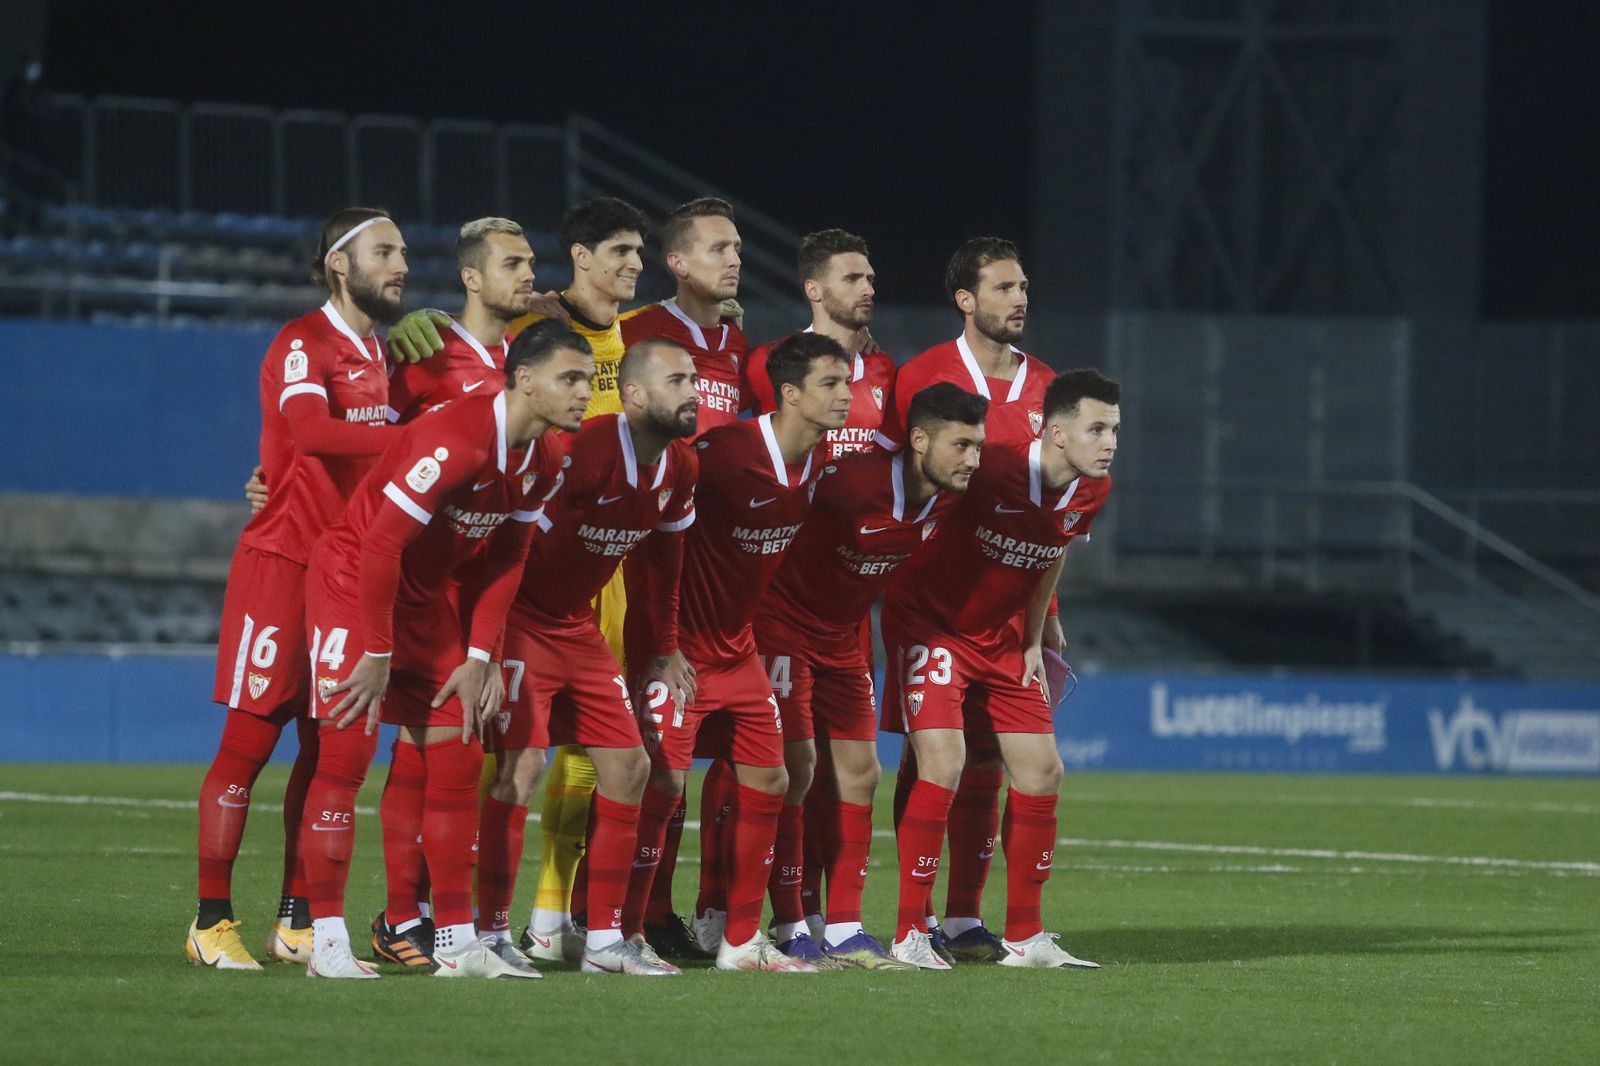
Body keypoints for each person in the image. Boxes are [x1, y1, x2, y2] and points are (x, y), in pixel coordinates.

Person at [295, 319, 590, 980]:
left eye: (586, 380)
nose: (582, 394)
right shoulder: (456, 438)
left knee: (459, 757)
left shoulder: (547, 458)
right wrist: (374, 650)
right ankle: (328, 940)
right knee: (345, 755)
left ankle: (457, 945)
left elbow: (506, 558)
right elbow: (379, 545)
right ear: (523, 379)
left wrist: (479, 655)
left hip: (424, 602)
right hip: (354, 587)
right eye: (569, 379)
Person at [185, 208, 406, 971]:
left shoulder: (383, 354)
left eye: (404, 251)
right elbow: (310, 432)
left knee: (324, 753)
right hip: (282, 565)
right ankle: (211, 920)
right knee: (248, 745)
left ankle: (296, 919)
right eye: (386, 251)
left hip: (346, 578)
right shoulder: (302, 343)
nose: (402, 264)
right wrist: (413, 437)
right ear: (340, 264)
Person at [465, 338, 699, 978]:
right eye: (677, 380)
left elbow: (665, 565)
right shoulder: (580, 452)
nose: (693, 392)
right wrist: (481, 646)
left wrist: (667, 647)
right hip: (521, 619)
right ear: (634, 395)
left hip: (575, 626)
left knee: (629, 768)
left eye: (695, 379)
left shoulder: (680, 468)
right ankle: (488, 935)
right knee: (521, 770)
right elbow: (503, 540)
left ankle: (604, 943)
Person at [620, 332, 852, 972]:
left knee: (773, 777)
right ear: (790, 394)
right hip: (679, 651)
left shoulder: (819, 460)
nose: (846, 397)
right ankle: (621, 931)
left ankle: (741, 942)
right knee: (659, 783)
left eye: (849, 384)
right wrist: (660, 646)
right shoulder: (719, 458)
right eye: (831, 385)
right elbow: (653, 546)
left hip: (737, 648)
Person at [881, 368, 1120, 970]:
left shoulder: (1093, 489)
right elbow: (912, 497)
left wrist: (1037, 631)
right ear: (1056, 432)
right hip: (931, 624)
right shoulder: (989, 467)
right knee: (944, 761)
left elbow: (1053, 551)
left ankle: (1026, 937)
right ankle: (910, 931)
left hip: (1006, 637)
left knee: (1042, 772)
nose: (1110, 441)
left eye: (1115, 429)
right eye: (1096, 428)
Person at [752, 383, 987, 968]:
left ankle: (845, 927)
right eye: (961, 445)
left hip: (843, 635)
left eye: (978, 447)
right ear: (919, 440)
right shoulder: (851, 483)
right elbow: (775, 519)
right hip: (782, 624)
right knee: (798, 769)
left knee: (861, 772)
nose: (972, 460)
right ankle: (789, 924)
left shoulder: (950, 499)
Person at [878, 236, 1063, 961]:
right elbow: (899, 481)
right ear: (966, 299)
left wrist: (1047, 620)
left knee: (990, 759)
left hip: (1011, 612)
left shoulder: (1049, 388)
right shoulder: (921, 375)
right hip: (930, 604)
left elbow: (1056, 516)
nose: (1020, 299)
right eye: (1004, 287)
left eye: (1024, 287)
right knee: (934, 759)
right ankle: (912, 920)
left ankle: (962, 919)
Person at [364, 216, 541, 969]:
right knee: (419, 746)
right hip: (416, 585)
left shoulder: (529, 360)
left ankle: (457, 923)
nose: (529, 276)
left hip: (493, 588)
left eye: (534, 264)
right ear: (471, 277)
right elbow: (372, 439)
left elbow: (587, 299)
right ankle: (392, 915)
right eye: (514, 264)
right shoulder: (426, 355)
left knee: (484, 757)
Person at [613, 197, 749, 956]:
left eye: (736, 248)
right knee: (641, 754)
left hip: (717, 574)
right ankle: (592, 915)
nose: (735, 259)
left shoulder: (731, 337)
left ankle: (665, 911)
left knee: (697, 751)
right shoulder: (635, 336)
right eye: (720, 247)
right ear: (678, 261)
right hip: (644, 566)